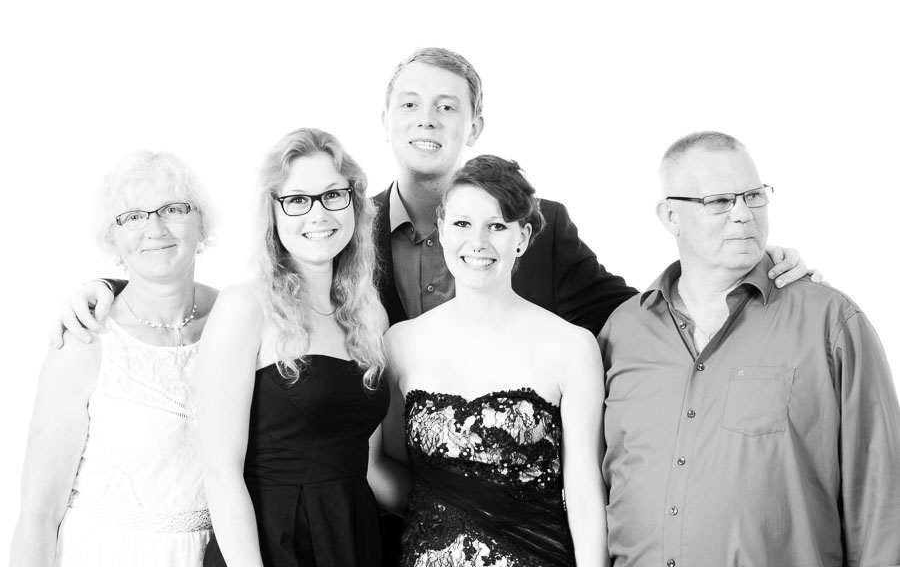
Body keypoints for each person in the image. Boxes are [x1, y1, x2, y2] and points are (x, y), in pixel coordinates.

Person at [50, 48, 813, 345]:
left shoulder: (540, 226)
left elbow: (630, 315)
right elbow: (269, 300)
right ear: (385, 121)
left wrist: (731, 263)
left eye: (448, 107)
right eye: (411, 105)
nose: (428, 120)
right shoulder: (340, 230)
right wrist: (116, 289)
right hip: (375, 500)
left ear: (473, 125)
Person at [599, 131, 900, 566]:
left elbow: (880, 497)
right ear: (670, 216)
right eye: (720, 201)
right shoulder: (622, 332)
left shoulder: (829, 322)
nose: (743, 214)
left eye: (754, 196)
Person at [383, 155, 607, 566]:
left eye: (497, 226)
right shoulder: (400, 344)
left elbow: (584, 494)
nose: (478, 242)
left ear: (522, 237)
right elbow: (396, 465)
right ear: (442, 230)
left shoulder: (572, 347)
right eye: (462, 224)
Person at [196, 127, 405, 567]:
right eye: (296, 200)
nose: (318, 214)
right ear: (272, 212)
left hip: (354, 538)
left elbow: (370, 465)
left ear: (354, 203)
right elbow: (220, 471)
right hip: (271, 545)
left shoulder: (371, 317)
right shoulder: (245, 307)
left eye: (333, 195)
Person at [10, 151, 218, 566]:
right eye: (133, 217)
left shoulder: (234, 319)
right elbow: (39, 513)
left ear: (201, 223)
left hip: (215, 554)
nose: (155, 228)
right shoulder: (85, 341)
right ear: (113, 240)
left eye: (174, 209)